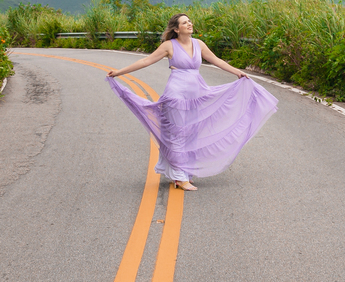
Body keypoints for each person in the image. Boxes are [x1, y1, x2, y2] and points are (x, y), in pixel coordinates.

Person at [106, 13, 278, 191]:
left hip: (196, 95)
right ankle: (180, 178)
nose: (189, 24)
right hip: (176, 95)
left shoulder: (198, 44)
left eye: (189, 21)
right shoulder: (169, 46)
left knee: (192, 135)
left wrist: (237, 72)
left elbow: (216, 60)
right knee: (178, 134)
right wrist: (119, 72)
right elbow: (145, 61)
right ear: (176, 28)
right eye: (184, 22)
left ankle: (182, 172)